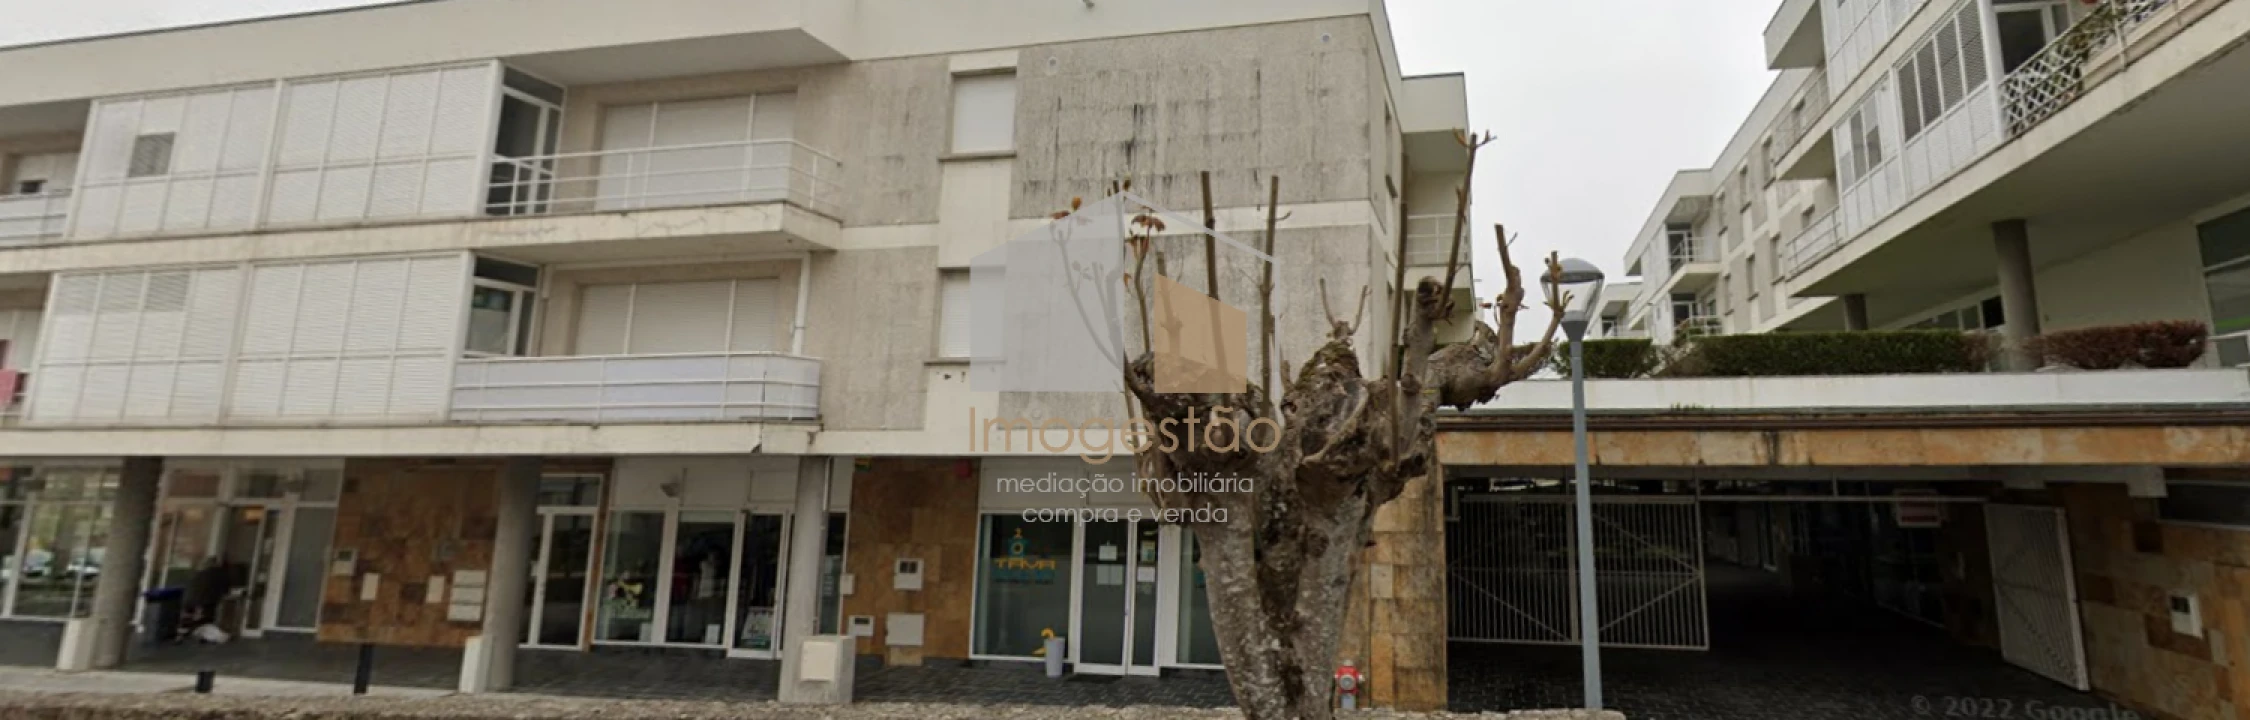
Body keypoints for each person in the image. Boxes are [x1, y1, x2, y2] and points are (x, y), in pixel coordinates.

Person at [183, 556, 228, 635]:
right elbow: (224, 587)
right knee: (207, 618)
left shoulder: (199, 574)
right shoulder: (219, 574)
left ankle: (186, 631)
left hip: (191, 599)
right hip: (208, 600)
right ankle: (204, 633)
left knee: (190, 616)